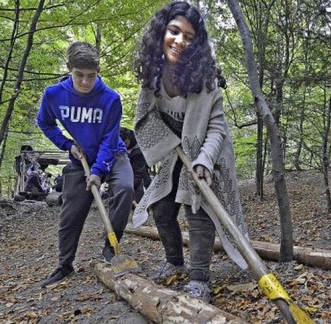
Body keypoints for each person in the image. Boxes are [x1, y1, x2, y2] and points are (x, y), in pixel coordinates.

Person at [131, 1, 248, 302]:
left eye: (189, 37)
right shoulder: (152, 77)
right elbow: (146, 117)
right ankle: (174, 261)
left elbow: (217, 130)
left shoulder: (207, 82)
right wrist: (171, 146)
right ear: (162, 33)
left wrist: (203, 162)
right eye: (174, 31)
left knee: (197, 208)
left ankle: (199, 280)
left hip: (208, 153)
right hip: (174, 153)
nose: (180, 41)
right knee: (160, 208)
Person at [36, 41, 134, 288]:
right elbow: (45, 123)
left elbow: (110, 140)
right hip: (79, 159)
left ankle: (111, 248)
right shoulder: (54, 95)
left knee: (125, 188)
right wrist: (67, 145)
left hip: (113, 155)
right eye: (79, 75)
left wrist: (100, 171)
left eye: (91, 76)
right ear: (69, 68)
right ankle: (64, 265)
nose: (85, 82)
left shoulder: (110, 98)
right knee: (71, 214)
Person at [120, 127, 151, 204]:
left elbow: (138, 173)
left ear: (129, 138)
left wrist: (128, 188)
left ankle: (142, 204)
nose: (124, 145)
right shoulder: (115, 143)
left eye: (125, 143)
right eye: (121, 143)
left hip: (139, 169)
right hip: (125, 169)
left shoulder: (138, 149)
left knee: (141, 181)